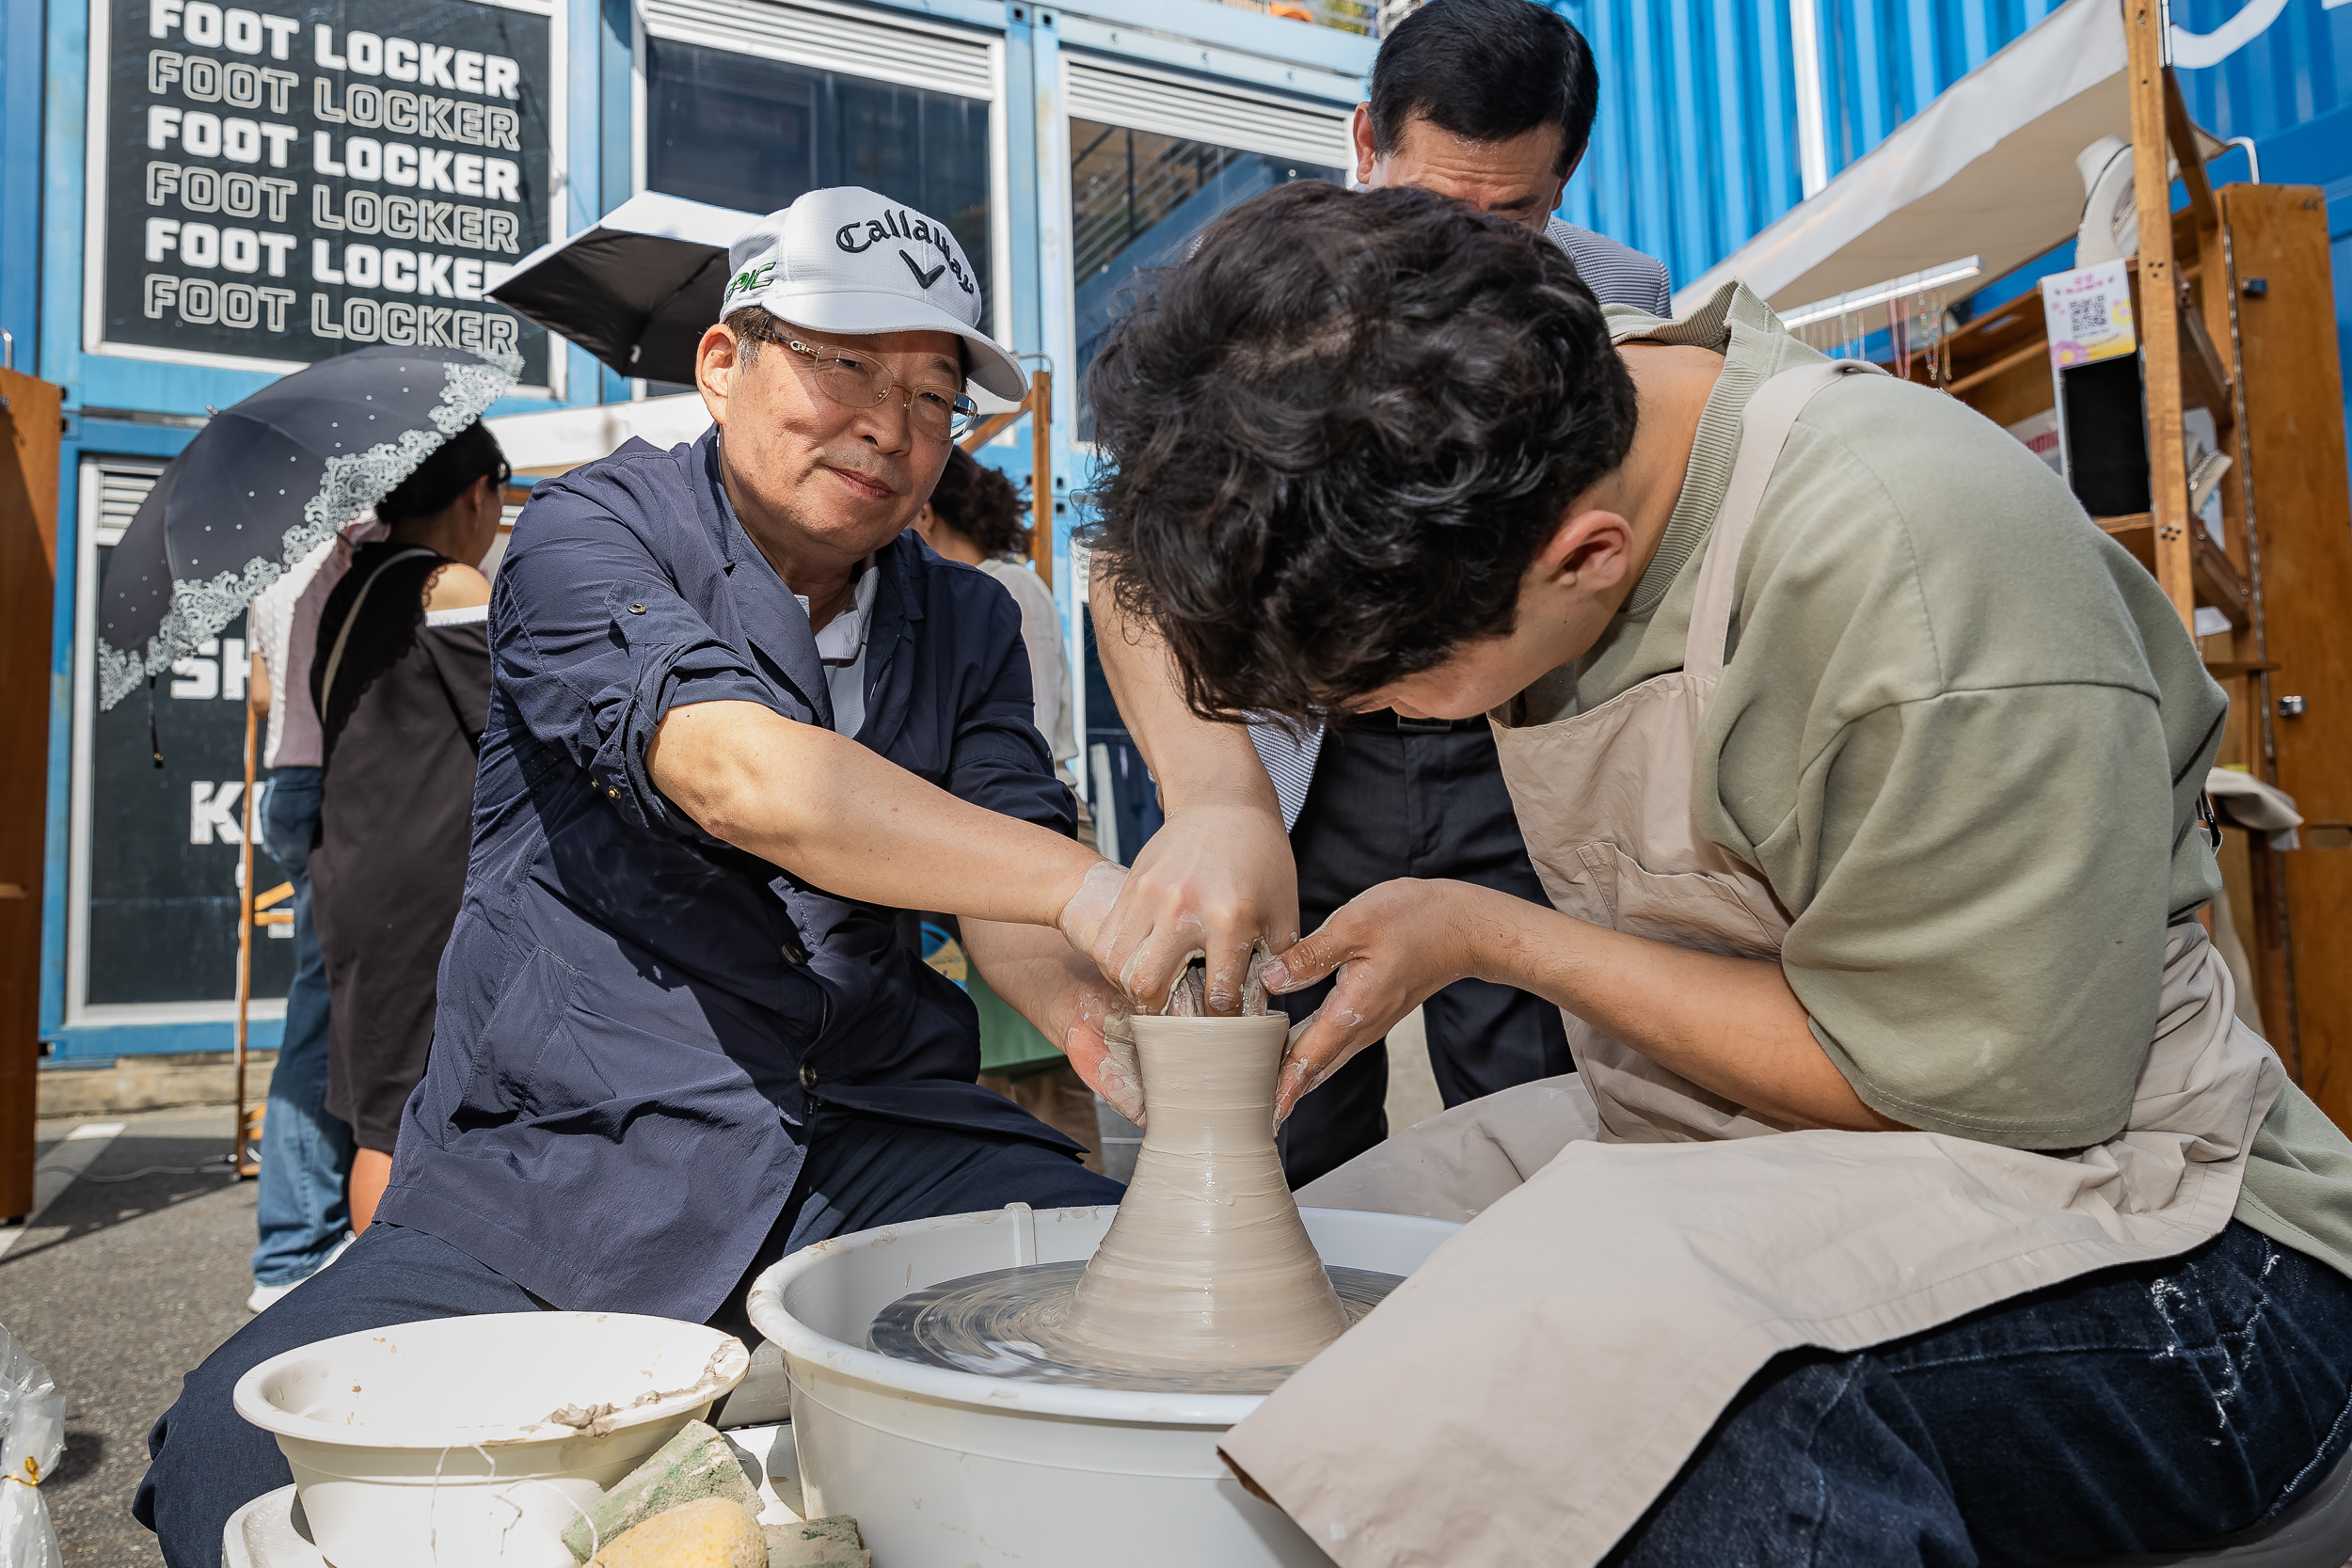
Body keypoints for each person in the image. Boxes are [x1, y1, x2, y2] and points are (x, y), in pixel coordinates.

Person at [1077, 182, 2352, 1560]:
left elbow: (1982, 1090)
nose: (1386, 726)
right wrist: (1220, 797)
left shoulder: (1915, 570)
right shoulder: (1526, 383)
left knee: (1618, 1388)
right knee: (1324, 1258)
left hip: (2175, 1241)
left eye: (1393, 694)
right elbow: (1120, 565)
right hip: (1748, 1129)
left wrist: (1491, 934)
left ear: (1586, 561)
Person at [135, 186, 1187, 1565]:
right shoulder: (587, 539)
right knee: (241, 1450)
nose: (889, 424)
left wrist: (1107, 1025)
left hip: (866, 1128)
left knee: (1193, 1327)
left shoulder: (974, 618)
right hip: (574, 1149)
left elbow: (1007, 905)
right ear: (723, 361)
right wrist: (1094, 885)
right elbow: (741, 775)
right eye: (843, 364)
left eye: (934, 396)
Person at [1117, 0, 1676, 1187]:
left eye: (1510, 217)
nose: (1465, 255)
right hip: (1319, 758)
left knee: (1536, 1098)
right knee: (1278, 1099)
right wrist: (1218, 797)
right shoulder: (1256, 294)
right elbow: (1137, 573)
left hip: (1512, 749)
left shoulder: (1629, 309)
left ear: (1562, 179)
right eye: (1429, 208)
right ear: (1365, 142)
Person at [307, 422, 505, 1237]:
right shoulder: (449, 586)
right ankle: (380, 1314)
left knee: (381, 1110)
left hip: (357, 870)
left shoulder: (356, 584)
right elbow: (529, 720)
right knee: (400, 1119)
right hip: (422, 885)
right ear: (475, 494)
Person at [912, 448, 1100, 1166]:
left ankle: (1083, 1212)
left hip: (1023, 823)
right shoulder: (988, 584)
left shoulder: (998, 588)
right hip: (984, 829)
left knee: (1053, 1061)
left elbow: (1014, 744)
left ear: (925, 510)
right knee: (993, 1061)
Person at [240, 520, 381, 1311]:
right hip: (337, 778)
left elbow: (265, 694)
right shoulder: (353, 552)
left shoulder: (270, 567)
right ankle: (294, 1246)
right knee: (330, 1011)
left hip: (287, 782)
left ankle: (300, 1236)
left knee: (324, 1000)